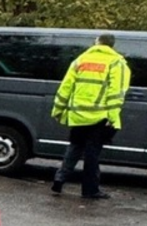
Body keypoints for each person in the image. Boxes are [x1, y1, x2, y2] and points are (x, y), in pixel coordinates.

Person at [51, 34, 131, 199]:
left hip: (78, 114)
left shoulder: (81, 60)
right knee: (92, 153)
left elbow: (65, 87)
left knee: (74, 147)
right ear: (112, 45)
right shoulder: (117, 62)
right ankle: (90, 190)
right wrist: (114, 118)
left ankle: (59, 179)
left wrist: (58, 110)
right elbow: (116, 93)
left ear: (97, 42)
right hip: (99, 116)